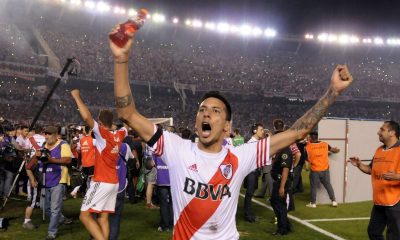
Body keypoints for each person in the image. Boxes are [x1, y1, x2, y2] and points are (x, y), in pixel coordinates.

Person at [109, 24, 353, 239]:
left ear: (226, 126)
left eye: (215, 111)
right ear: (196, 121)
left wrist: (332, 93)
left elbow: (298, 132)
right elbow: (127, 114)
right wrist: (121, 59)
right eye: (202, 109)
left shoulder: (240, 156)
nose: (206, 113)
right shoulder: (175, 147)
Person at [71, 90, 127, 240]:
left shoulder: (103, 134)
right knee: (103, 218)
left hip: (101, 181)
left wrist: (77, 97)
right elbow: (125, 127)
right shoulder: (120, 135)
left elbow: (87, 117)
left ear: (101, 123)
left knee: (84, 216)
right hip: (114, 182)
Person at [349, 120, 400, 240]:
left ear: (392, 132)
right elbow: (371, 170)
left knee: (394, 236)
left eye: (382, 129)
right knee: (373, 232)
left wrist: (398, 177)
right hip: (379, 201)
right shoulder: (379, 150)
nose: (378, 132)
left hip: (396, 202)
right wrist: (360, 165)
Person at [29, 126, 72, 240]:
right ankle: (61, 219)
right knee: (44, 207)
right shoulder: (44, 146)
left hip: (59, 180)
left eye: (49, 134)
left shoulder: (63, 144)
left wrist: (52, 160)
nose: (46, 136)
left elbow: (68, 160)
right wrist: (37, 158)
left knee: (54, 209)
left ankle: (51, 233)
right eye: (45, 134)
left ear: (56, 135)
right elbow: (38, 162)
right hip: (46, 180)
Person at [305, 131, 340, 208]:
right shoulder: (324, 144)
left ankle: (313, 203)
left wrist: (307, 167)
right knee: (328, 185)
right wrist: (337, 150)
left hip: (315, 170)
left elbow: (307, 160)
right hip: (325, 169)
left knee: (313, 187)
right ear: (317, 137)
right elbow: (334, 150)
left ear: (310, 138)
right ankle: (334, 201)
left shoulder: (308, 147)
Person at [109, 142, 134, 240]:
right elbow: (130, 157)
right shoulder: (125, 146)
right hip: (119, 185)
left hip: (105, 186)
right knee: (115, 217)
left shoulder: (101, 143)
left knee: (101, 217)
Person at [270, 141, 294, 236]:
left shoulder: (285, 151)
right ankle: (286, 225)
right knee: (274, 202)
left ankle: (282, 229)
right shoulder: (281, 150)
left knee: (280, 205)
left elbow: (285, 169)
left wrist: (282, 187)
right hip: (278, 180)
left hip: (281, 181)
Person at [243, 123, 264, 222]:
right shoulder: (252, 143)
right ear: (255, 131)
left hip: (255, 171)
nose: (262, 132)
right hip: (251, 171)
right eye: (261, 130)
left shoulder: (256, 142)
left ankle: (249, 213)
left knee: (251, 193)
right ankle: (248, 215)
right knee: (249, 193)